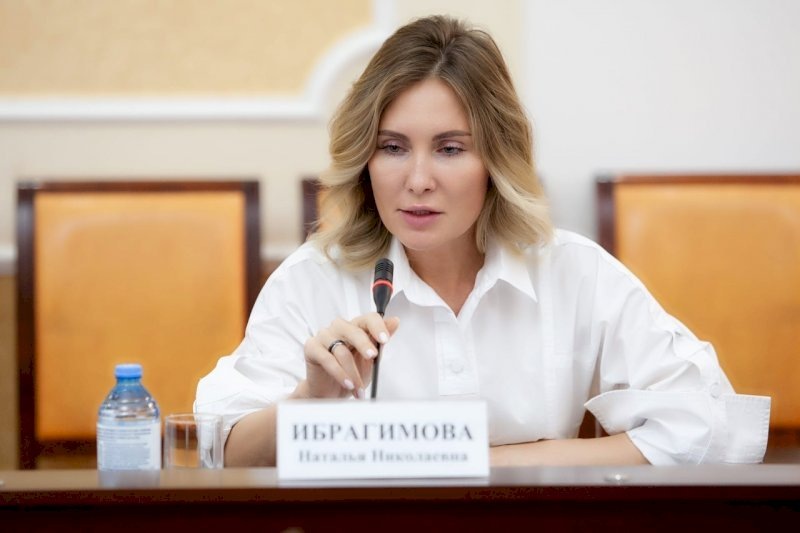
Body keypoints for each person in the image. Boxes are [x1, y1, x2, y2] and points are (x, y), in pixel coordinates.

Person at [195, 15, 770, 467]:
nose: (418, 179)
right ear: (364, 158)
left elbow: (713, 425)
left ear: (496, 158)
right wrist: (309, 402)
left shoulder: (573, 271)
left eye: (450, 149)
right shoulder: (313, 279)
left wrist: (493, 465)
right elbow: (220, 451)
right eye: (393, 147)